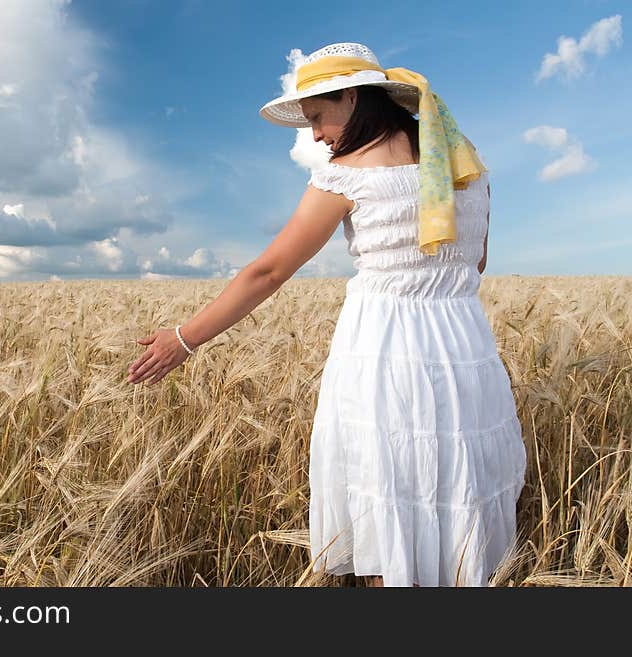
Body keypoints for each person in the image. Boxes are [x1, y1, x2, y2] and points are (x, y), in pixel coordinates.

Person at [126, 42, 527, 587]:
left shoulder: (348, 173)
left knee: (389, 498)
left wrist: (185, 338)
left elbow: (268, 272)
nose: (315, 135)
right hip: (466, 351)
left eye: (318, 116)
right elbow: (475, 263)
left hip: (384, 353)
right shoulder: (466, 165)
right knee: (459, 492)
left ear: (353, 97)